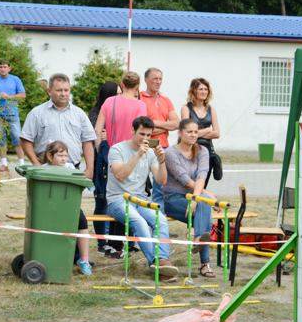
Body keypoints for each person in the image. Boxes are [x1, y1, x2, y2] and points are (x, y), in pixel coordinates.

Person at [106, 116, 176, 275]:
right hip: (118, 199)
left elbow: (161, 180)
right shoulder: (116, 149)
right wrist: (137, 154)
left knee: (161, 220)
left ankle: (163, 259)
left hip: (140, 200)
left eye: (148, 135)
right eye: (142, 134)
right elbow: (120, 175)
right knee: (140, 222)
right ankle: (156, 264)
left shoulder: (151, 153)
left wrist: (162, 161)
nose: (145, 139)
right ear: (132, 131)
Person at [153, 119, 215, 278]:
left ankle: (197, 238)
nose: (193, 135)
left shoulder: (203, 151)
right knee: (205, 210)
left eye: (195, 132)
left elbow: (202, 176)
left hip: (194, 196)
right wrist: (202, 196)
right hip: (173, 198)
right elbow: (185, 180)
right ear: (180, 133)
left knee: (204, 208)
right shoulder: (171, 153)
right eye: (189, 132)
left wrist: (197, 197)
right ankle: (205, 264)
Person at [20, 73, 96, 179]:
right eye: (59, 90)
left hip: (72, 170)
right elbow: (26, 140)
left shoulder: (79, 114)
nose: (63, 94)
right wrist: (36, 163)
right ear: (49, 91)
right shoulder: (36, 113)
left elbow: (87, 142)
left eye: (66, 90)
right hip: (45, 170)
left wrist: (89, 169)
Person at [42, 141, 93, 276]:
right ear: (49, 155)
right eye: (60, 155)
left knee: (82, 221)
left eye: (65, 155)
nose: (64, 159)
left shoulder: (70, 167)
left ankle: (84, 260)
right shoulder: (43, 169)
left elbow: (80, 181)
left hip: (69, 205)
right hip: (49, 207)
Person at [89, 81, 120, 256]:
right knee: (102, 201)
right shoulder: (95, 114)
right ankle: (102, 242)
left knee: (115, 202)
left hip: (116, 162)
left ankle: (116, 241)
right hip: (100, 164)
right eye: (116, 94)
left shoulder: (118, 113)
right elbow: (95, 137)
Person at [180, 78, 222, 184]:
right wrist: (208, 130)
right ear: (194, 91)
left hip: (206, 150)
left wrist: (196, 134)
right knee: (189, 183)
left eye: (206, 89)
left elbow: (217, 133)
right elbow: (186, 133)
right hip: (190, 150)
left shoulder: (211, 109)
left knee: (202, 184)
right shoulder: (186, 108)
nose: (204, 92)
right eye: (200, 89)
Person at [94, 72, 148, 151]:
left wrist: (100, 150)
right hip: (132, 155)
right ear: (137, 86)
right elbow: (142, 133)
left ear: (122, 84)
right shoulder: (141, 105)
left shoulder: (109, 101)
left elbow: (97, 130)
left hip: (111, 153)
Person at [0, 59, 27, 173]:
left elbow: (23, 95)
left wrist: (9, 97)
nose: (2, 69)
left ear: (9, 68)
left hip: (12, 114)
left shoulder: (15, 79)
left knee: (17, 138)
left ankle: (22, 164)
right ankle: (4, 164)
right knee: (1, 139)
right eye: (0, 67)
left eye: (5, 67)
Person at [140, 68, 179, 148]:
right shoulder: (139, 98)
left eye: (160, 79)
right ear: (146, 80)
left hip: (164, 147)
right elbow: (141, 129)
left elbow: (177, 124)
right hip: (145, 147)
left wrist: (154, 123)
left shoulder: (166, 100)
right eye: (155, 79)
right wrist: (167, 128)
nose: (158, 82)